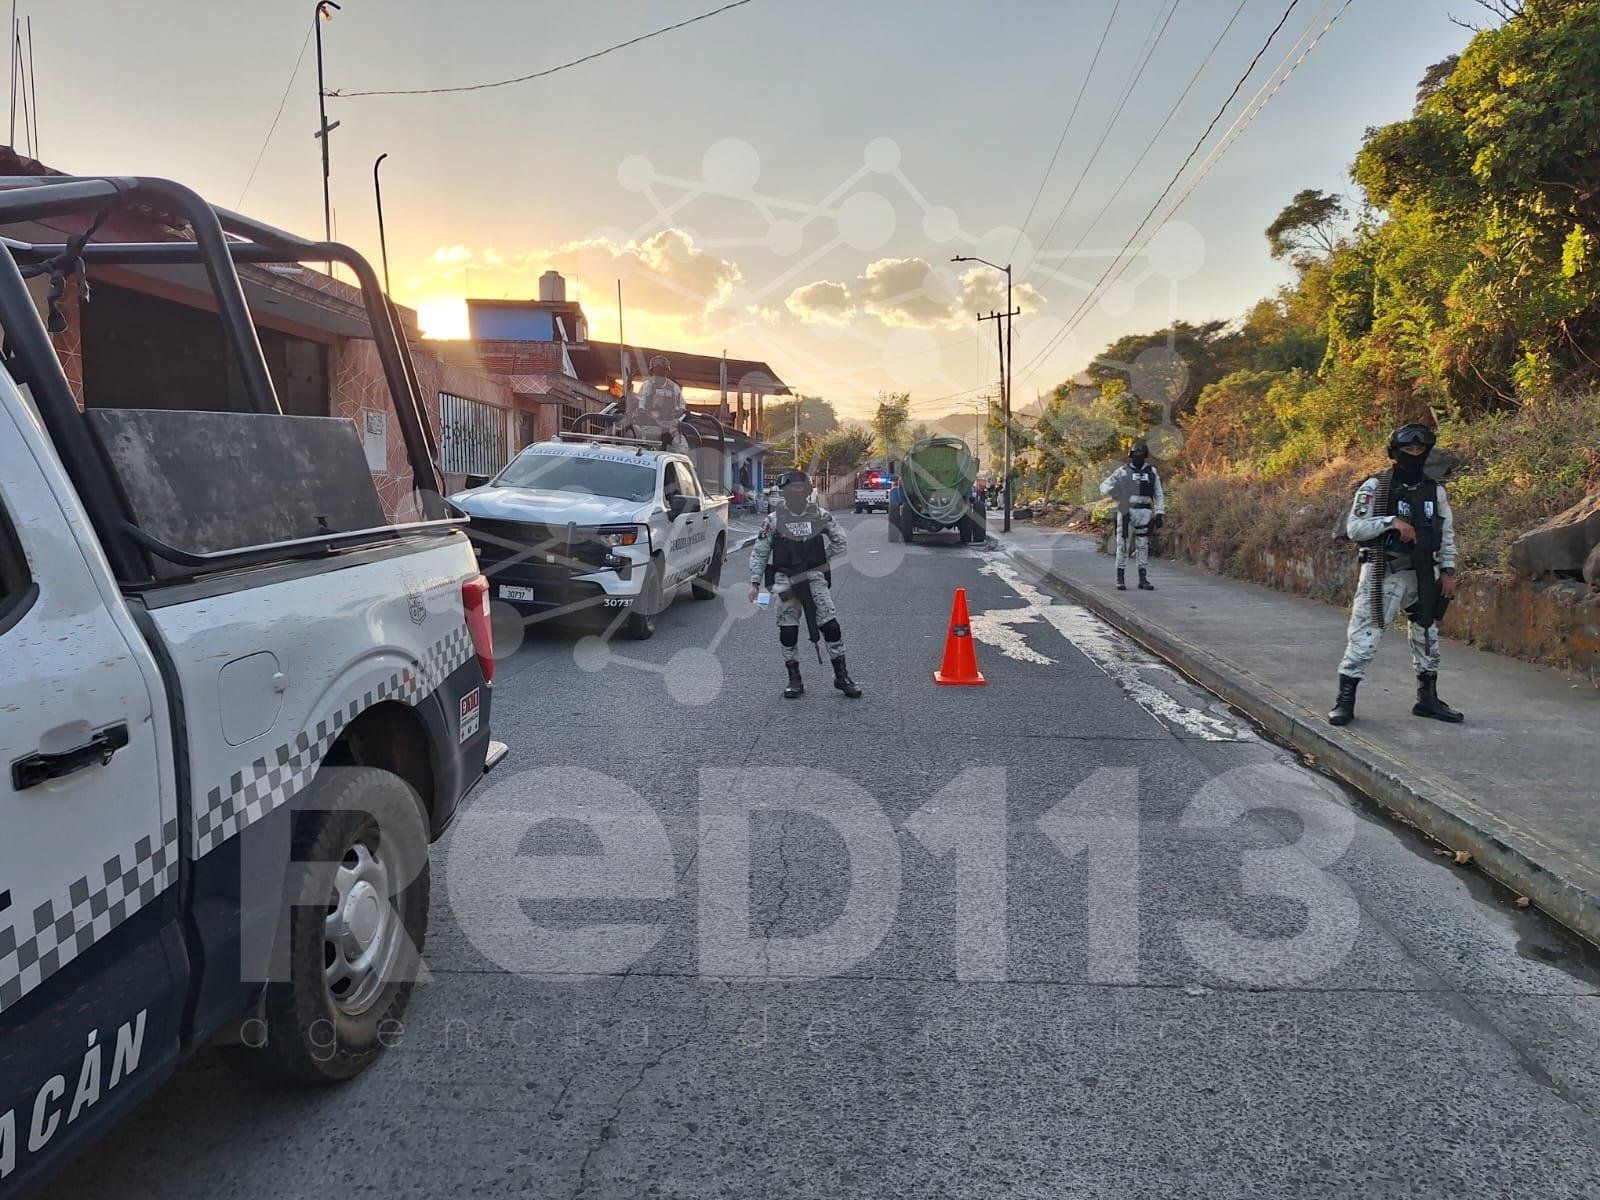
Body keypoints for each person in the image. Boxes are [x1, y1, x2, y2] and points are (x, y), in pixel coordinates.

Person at [1328, 422, 1463, 726]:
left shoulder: (1434, 490)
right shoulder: (1375, 486)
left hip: (1424, 574)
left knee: (1427, 635)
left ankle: (1427, 698)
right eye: (1408, 449)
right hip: (1383, 572)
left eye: (1420, 449)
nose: (1415, 454)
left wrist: (1448, 570)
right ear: (1395, 452)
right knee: (1366, 635)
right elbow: (1355, 528)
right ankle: (1344, 701)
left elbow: (1447, 533)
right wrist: (1391, 521)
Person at [748, 470, 862, 700]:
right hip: (785, 579)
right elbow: (760, 551)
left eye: (801, 489)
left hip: (813, 577)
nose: (796, 493)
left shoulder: (820, 516)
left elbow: (840, 541)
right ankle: (794, 679)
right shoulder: (773, 520)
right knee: (788, 629)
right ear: (785, 492)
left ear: (808, 491)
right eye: (792, 490)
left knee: (830, 625)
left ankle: (842, 676)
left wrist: (820, 560)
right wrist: (754, 582)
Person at [1099, 441, 1165, 591]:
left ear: (1145, 456)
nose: (1138, 457)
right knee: (1123, 544)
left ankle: (1143, 578)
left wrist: (1160, 512)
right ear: (1131, 456)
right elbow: (1104, 486)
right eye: (1136, 455)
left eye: (1141, 455)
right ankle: (1120, 577)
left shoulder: (1152, 472)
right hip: (1126, 511)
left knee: (1143, 545)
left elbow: (1158, 494)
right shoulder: (1123, 471)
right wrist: (1114, 492)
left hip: (1145, 511)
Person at [627, 355, 688, 450]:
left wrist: (679, 412)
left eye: (662, 370)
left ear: (666, 371)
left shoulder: (674, 387)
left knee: (683, 450)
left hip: (670, 428)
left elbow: (682, 407)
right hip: (650, 427)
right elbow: (640, 407)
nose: (659, 374)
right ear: (653, 371)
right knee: (647, 451)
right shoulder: (647, 386)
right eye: (656, 370)